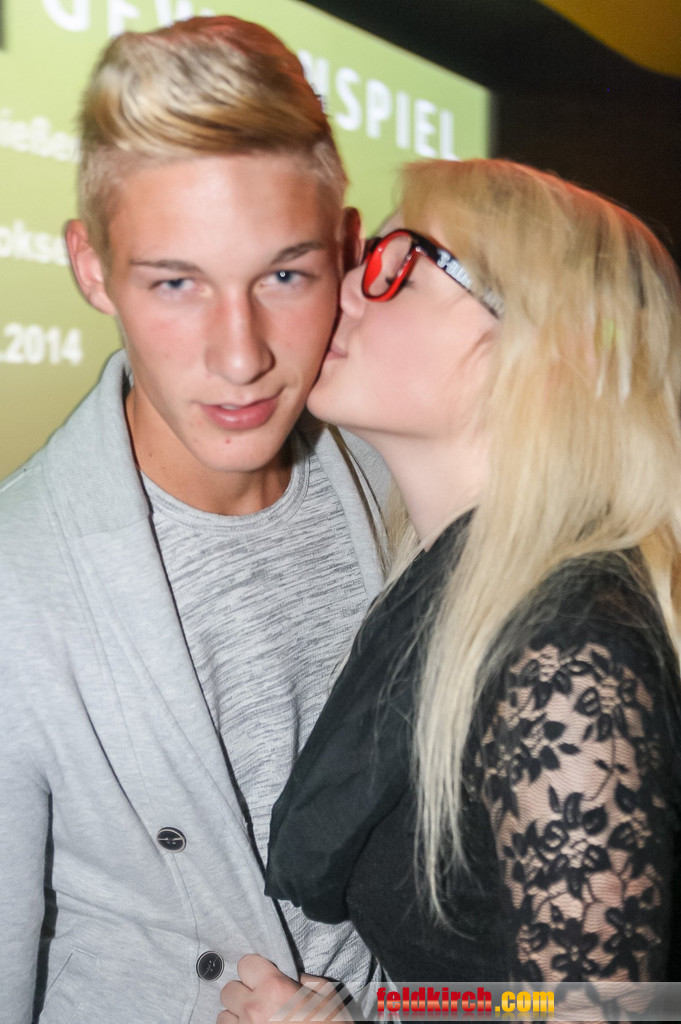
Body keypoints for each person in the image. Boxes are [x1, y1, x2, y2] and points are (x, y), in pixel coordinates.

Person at [220, 157, 681, 1022]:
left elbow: (601, 1011)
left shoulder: (567, 651)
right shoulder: (458, 593)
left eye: (397, 262)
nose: (343, 289)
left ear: (540, 347)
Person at [0, 16, 389, 1024]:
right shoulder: (16, 584)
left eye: (285, 275)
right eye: (177, 283)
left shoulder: (403, 483)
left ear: (347, 252)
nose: (240, 355)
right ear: (92, 268)